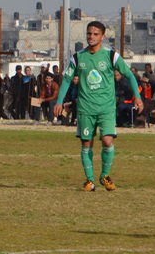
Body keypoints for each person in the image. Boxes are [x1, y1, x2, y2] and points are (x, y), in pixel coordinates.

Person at [54, 21, 143, 192]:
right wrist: (59, 101)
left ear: (102, 36)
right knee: (87, 143)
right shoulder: (78, 57)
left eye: (95, 34)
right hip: (85, 108)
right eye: (89, 33)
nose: (91, 37)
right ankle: (89, 181)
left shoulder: (111, 56)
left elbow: (130, 76)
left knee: (107, 140)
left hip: (106, 108)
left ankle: (105, 175)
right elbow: (66, 79)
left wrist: (137, 98)